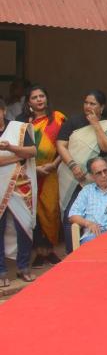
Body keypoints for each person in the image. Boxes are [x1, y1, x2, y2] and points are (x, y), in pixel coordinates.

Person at [56, 90, 107, 252]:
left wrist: (96, 125)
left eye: (93, 104)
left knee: (100, 215)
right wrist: (73, 165)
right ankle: (71, 256)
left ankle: (100, 252)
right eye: (86, 103)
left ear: (102, 107)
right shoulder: (74, 121)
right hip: (72, 177)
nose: (88, 106)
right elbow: (60, 144)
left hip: (98, 179)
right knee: (70, 217)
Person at [19, 84, 66, 267]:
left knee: (51, 211)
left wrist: (53, 164)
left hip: (52, 171)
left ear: (46, 98)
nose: (39, 100)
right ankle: (40, 252)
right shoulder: (22, 123)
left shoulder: (58, 118)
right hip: (29, 173)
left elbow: (66, 144)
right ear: (28, 102)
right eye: (34, 97)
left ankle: (50, 250)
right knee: (34, 214)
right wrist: (34, 169)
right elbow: (18, 149)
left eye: (41, 96)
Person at [0, 98, 37, 285]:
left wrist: (10, 148)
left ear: (3, 110)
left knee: (24, 225)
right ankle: (1, 271)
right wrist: (17, 157)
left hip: (20, 184)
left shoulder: (18, 128)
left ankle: (23, 267)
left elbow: (32, 152)